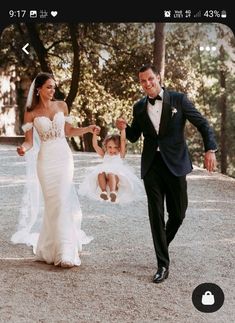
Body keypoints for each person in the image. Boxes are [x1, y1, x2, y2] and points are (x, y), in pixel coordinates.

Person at [116, 63, 217, 283]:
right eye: (143, 81)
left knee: (178, 214)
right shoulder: (139, 107)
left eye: (150, 79)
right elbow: (134, 136)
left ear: (158, 77)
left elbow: (202, 123)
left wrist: (210, 149)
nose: (147, 84)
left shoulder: (178, 100)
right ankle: (163, 264)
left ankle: (162, 244)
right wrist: (123, 127)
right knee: (156, 215)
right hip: (152, 165)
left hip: (176, 164)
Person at [12, 72, 98, 268]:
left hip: (63, 158)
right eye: (48, 87)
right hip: (45, 161)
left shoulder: (62, 106)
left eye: (54, 87)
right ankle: (51, 247)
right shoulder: (31, 113)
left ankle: (66, 251)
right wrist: (22, 149)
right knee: (53, 204)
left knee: (61, 200)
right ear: (39, 89)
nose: (52, 90)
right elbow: (28, 142)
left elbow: (68, 132)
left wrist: (87, 129)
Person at [78, 127, 144, 203]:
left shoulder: (120, 154)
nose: (112, 150)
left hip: (116, 176)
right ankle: (104, 192)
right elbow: (95, 146)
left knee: (111, 174)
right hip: (105, 175)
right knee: (100, 174)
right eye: (110, 147)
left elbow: (122, 140)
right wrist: (94, 134)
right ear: (106, 147)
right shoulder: (105, 154)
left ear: (119, 148)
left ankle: (113, 192)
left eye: (115, 147)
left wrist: (122, 130)